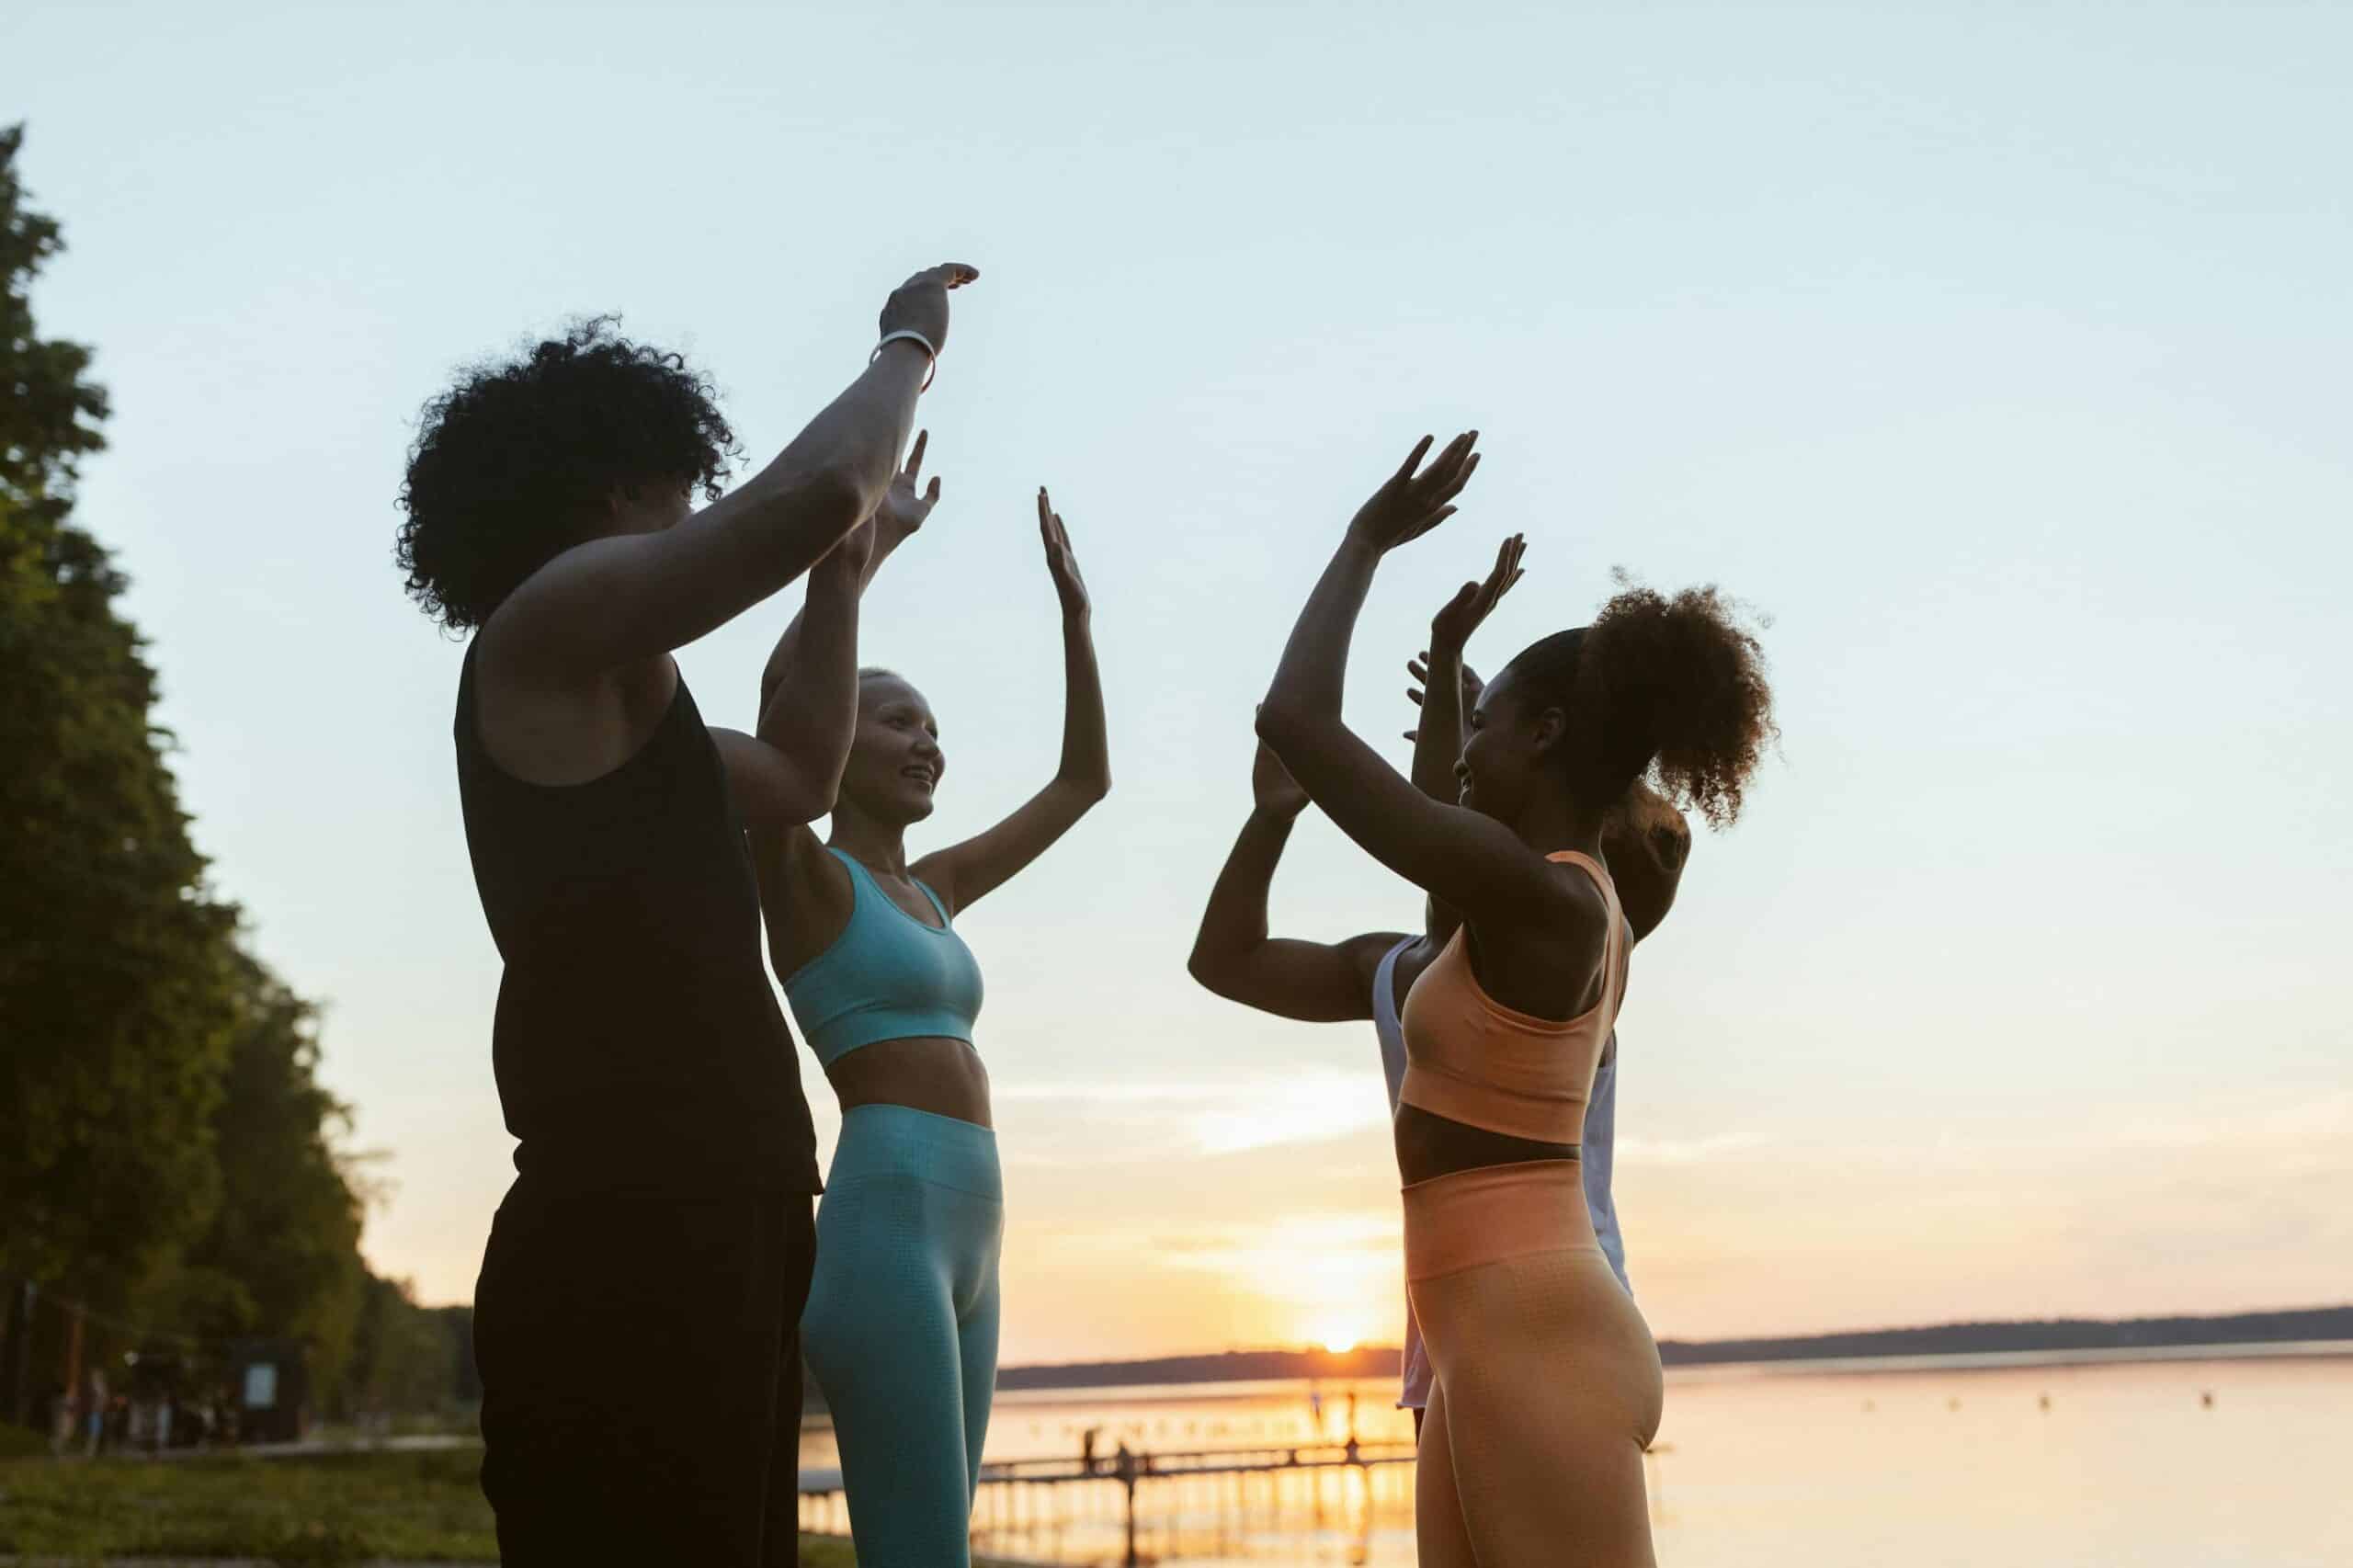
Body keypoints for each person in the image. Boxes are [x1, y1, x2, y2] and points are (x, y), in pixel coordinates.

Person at [397, 262, 977, 1566]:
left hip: (729, 1213)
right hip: (629, 1230)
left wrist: (845, 581)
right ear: (616, 486)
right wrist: (907, 345)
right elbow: (818, 488)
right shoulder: (543, 629)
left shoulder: (641, 718)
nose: (699, 512)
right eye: (681, 488)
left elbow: (801, 774)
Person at [1256, 433, 1773, 1568]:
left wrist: (1360, 543)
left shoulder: (1554, 905)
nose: (1464, 743)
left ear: (1542, 734)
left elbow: (1294, 721)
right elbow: (1433, 837)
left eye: (1486, 720)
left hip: (1542, 1336)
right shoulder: (1511, 902)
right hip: (1483, 1336)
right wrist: (1449, 668)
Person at [1188, 598, 1690, 1440]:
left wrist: (1385, 564)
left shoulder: (1562, 936)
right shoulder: (1404, 973)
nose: (1463, 766)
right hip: (1451, 1306)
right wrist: (1273, 812)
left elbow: (1436, 834)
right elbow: (1226, 961)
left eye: (1481, 742)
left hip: (1553, 1298)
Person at [756, 475, 1108, 1565]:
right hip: (885, 1228)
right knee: (920, 1558)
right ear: (836, 741)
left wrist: (1076, 620)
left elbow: (1082, 782)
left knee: (936, 1545)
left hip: (978, 1235)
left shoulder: (937, 889)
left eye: (935, 727)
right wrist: (871, 543)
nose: (927, 742)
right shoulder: (805, 873)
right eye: (897, 719)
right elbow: (783, 692)